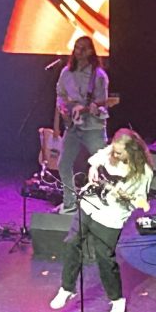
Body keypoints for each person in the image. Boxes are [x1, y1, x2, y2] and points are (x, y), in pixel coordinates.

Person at [49, 127, 152, 312]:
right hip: (89, 205)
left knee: (104, 257)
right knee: (72, 242)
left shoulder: (143, 172)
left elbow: (138, 200)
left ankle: (116, 299)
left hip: (111, 216)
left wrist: (125, 197)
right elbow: (95, 159)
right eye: (114, 150)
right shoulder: (109, 151)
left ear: (132, 151)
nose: (115, 154)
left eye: (119, 152)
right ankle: (67, 288)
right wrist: (94, 169)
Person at [55, 35, 111, 213]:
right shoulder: (66, 72)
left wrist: (89, 108)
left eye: (83, 48)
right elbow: (60, 94)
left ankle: (105, 205)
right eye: (76, 47)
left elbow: (103, 101)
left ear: (91, 51)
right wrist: (63, 109)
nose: (78, 51)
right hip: (72, 127)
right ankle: (70, 202)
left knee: (102, 166)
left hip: (93, 127)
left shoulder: (99, 76)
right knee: (63, 164)